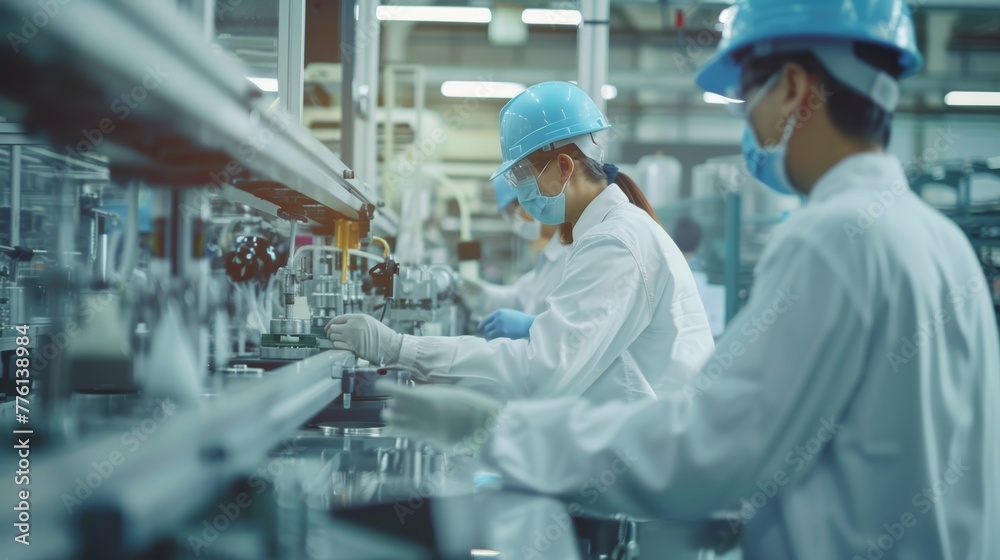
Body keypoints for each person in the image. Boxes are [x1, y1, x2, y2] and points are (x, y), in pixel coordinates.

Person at [378, 2, 1000, 559]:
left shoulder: (833, 241)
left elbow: (710, 447)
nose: (747, 124)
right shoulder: (941, 242)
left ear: (791, 90)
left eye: (747, 96)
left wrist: (496, 432)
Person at [327, 81, 715, 405]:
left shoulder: (616, 242)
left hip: (651, 457)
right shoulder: (605, 233)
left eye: (521, 177)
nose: (521, 193)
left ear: (564, 168)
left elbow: (540, 371)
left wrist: (400, 349)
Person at [462, 176, 569, 341]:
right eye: (509, 213)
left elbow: (580, 329)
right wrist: (478, 294)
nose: (518, 218)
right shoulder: (551, 254)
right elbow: (519, 297)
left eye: (516, 209)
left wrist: (531, 325)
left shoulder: (571, 253)